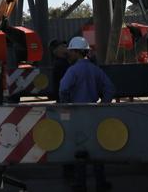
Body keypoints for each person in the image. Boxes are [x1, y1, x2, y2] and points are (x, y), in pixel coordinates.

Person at [58, 35, 115, 191]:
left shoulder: (73, 70)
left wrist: (66, 106)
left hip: (77, 114)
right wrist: (103, 105)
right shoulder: (95, 70)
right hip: (94, 113)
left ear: (77, 52)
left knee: (79, 148)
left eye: (71, 52)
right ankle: (101, 182)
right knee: (96, 147)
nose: (68, 54)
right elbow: (110, 88)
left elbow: (63, 89)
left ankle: (80, 184)